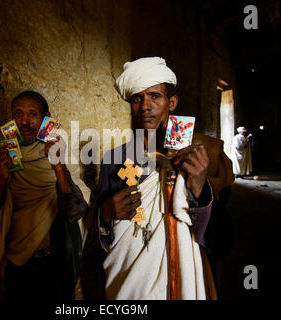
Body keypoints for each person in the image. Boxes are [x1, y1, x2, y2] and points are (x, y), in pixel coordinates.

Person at [97, 57, 234, 300]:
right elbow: (105, 238)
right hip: (130, 285)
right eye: (137, 98)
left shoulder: (196, 157)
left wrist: (200, 186)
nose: (145, 106)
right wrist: (107, 212)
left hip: (181, 278)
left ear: (172, 102)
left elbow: (221, 241)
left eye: (154, 97)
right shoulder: (115, 159)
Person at [0, 90, 89, 300]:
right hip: (15, 267)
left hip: (57, 264)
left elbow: (75, 211)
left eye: (33, 114)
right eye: (18, 114)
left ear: (46, 120)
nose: (25, 122)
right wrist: (0, 181)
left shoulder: (62, 157)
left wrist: (59, 169)